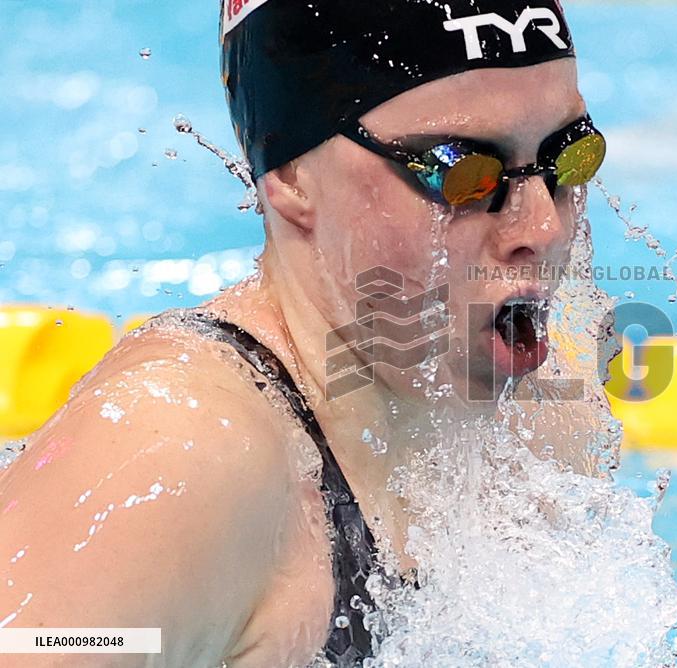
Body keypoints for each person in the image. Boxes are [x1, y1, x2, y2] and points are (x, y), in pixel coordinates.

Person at [0, 1, 607, 665]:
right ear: (290, 175)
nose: (544, 227)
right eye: (461, 172)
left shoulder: (545, 429)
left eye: (568, 159)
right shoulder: (181, 453)